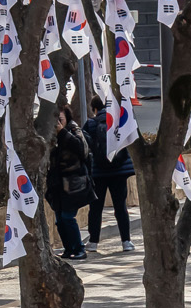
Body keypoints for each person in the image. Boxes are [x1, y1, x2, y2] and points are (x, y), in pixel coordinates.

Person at [84, 95, 136, 253]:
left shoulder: (91, 124)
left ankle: (93, 242)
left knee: (95, 208)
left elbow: (85, 147)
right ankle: (126, 241)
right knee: (120, 207)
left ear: (95, 108)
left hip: (98, 173)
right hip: (119, 171)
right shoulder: (119, 122)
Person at [47, 104, 95, 261]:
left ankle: (79, 248)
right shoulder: (49, 134)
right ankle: (69, 248)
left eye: (60, 119)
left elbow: (82, 150)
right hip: (57, 184)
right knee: (59, 220)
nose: (57, 123)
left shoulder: (73, 130)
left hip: (73, 184)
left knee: (68, 217)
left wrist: (62, 132)